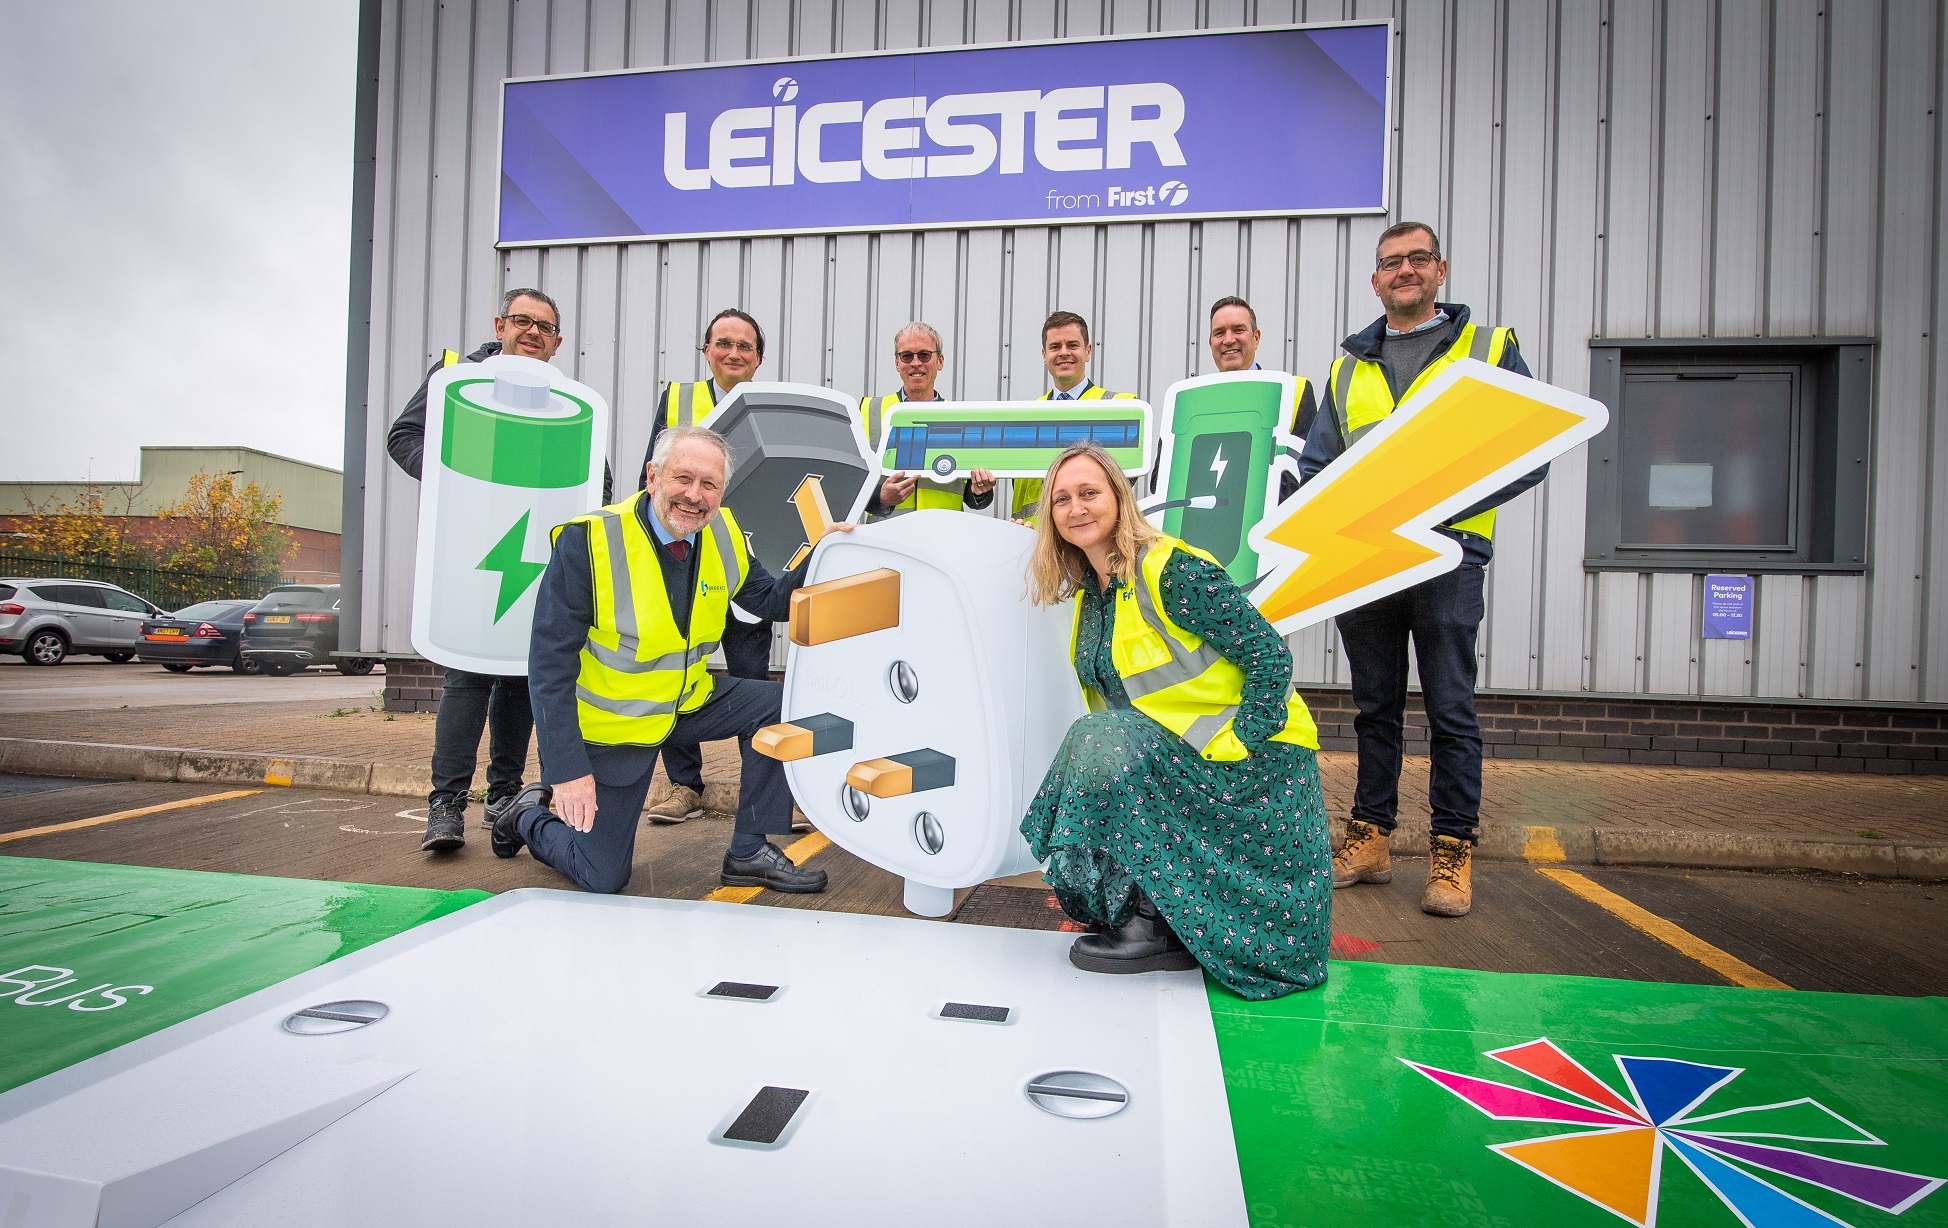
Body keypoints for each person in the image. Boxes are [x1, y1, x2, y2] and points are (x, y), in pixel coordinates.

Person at [1019, 440, 1331, 1000]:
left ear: (1119, 498)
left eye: (1089, 493)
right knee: (1100, 744)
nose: (1076, 508)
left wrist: (1244, 736)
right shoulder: (1095, 592)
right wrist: (851, 530)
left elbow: (1268, 656)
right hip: (1183, 754)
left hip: (1254, 761)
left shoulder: (1170, 569)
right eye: (1061, 499)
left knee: (1099, 740)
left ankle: (1152, 921)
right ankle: (1145, 909)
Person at [1298, 221, 1543, 918]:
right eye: (1390, 263)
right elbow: (1318, 467)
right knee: (1375, 707)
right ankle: (1370, 838)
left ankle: (1452, 850)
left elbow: (1531, 449)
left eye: (1417, 260)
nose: (1403, 271)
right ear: (1376, 280)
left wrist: (1442, 504)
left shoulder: (1489, 350)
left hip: (1449, 556)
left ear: (1440, 269)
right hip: (1367, 560)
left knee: (1450, 708)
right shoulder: (1347, 368)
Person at [495, 425, 850, 894]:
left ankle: (749, 851)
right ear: (652, 476)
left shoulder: (723, 532)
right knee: (602, 876)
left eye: (709, 485)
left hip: (685, 703)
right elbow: (548, 668)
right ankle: (526, 818)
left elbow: (769, 600)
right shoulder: (589, 542)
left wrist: (825, 550)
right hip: (613, 726)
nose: (694, 495)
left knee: (783, 704)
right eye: (683, 478)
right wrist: (567, 773)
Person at [386, 288, 590, 853]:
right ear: (500, 323)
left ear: (557, 342)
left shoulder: (564, 399)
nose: (532, 332)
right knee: (467, 676)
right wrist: (453, 482)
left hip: (537, 553)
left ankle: (502, 796)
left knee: (524, 677)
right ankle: (445, 805)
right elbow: (404, 437)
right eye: (522, 321)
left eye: (544, 327)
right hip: (471, 552)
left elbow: (592, 475)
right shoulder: (459, 380)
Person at [634, 309, 775, 825]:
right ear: (706, 349)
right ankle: (683, 787)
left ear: (758, 357)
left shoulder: (770, 407)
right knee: (677, 670)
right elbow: (649, 479)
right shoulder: (677, 399)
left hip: (744, 564)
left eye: (745, 346)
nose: (734, 353)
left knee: (752, 683)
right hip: (684, 562)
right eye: (724, 343)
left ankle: (761, 796)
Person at [859, 321, 996, 517]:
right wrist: (880, 498)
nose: (916, 363)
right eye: (906, 356)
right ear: (897, 363)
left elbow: (972, 496)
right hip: (886, 539)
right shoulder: (869, 411)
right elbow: (852, 481)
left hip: (942, 538)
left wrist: (980, 491)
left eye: (924, 355)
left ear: (940, 361)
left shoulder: (961, 417)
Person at [1012, 310, 1137, 520]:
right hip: (1032, 538)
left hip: (1089, 540)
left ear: (1087, 351)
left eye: (1072, 345)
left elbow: (1126, 477)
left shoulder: (1120, 408)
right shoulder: (1025, 416)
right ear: (1044, 355)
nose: (1063, 353)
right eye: (1055, 347)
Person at [1204, 296, 1317, 502]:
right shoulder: (1192, 401)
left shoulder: (1293, 391)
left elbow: (1308, 470)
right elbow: (1162, 477)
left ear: (1256, 338)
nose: (1228, 340)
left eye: (1238, 330)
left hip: (1268, 526)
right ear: (1210, 343)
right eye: (1219, 333)